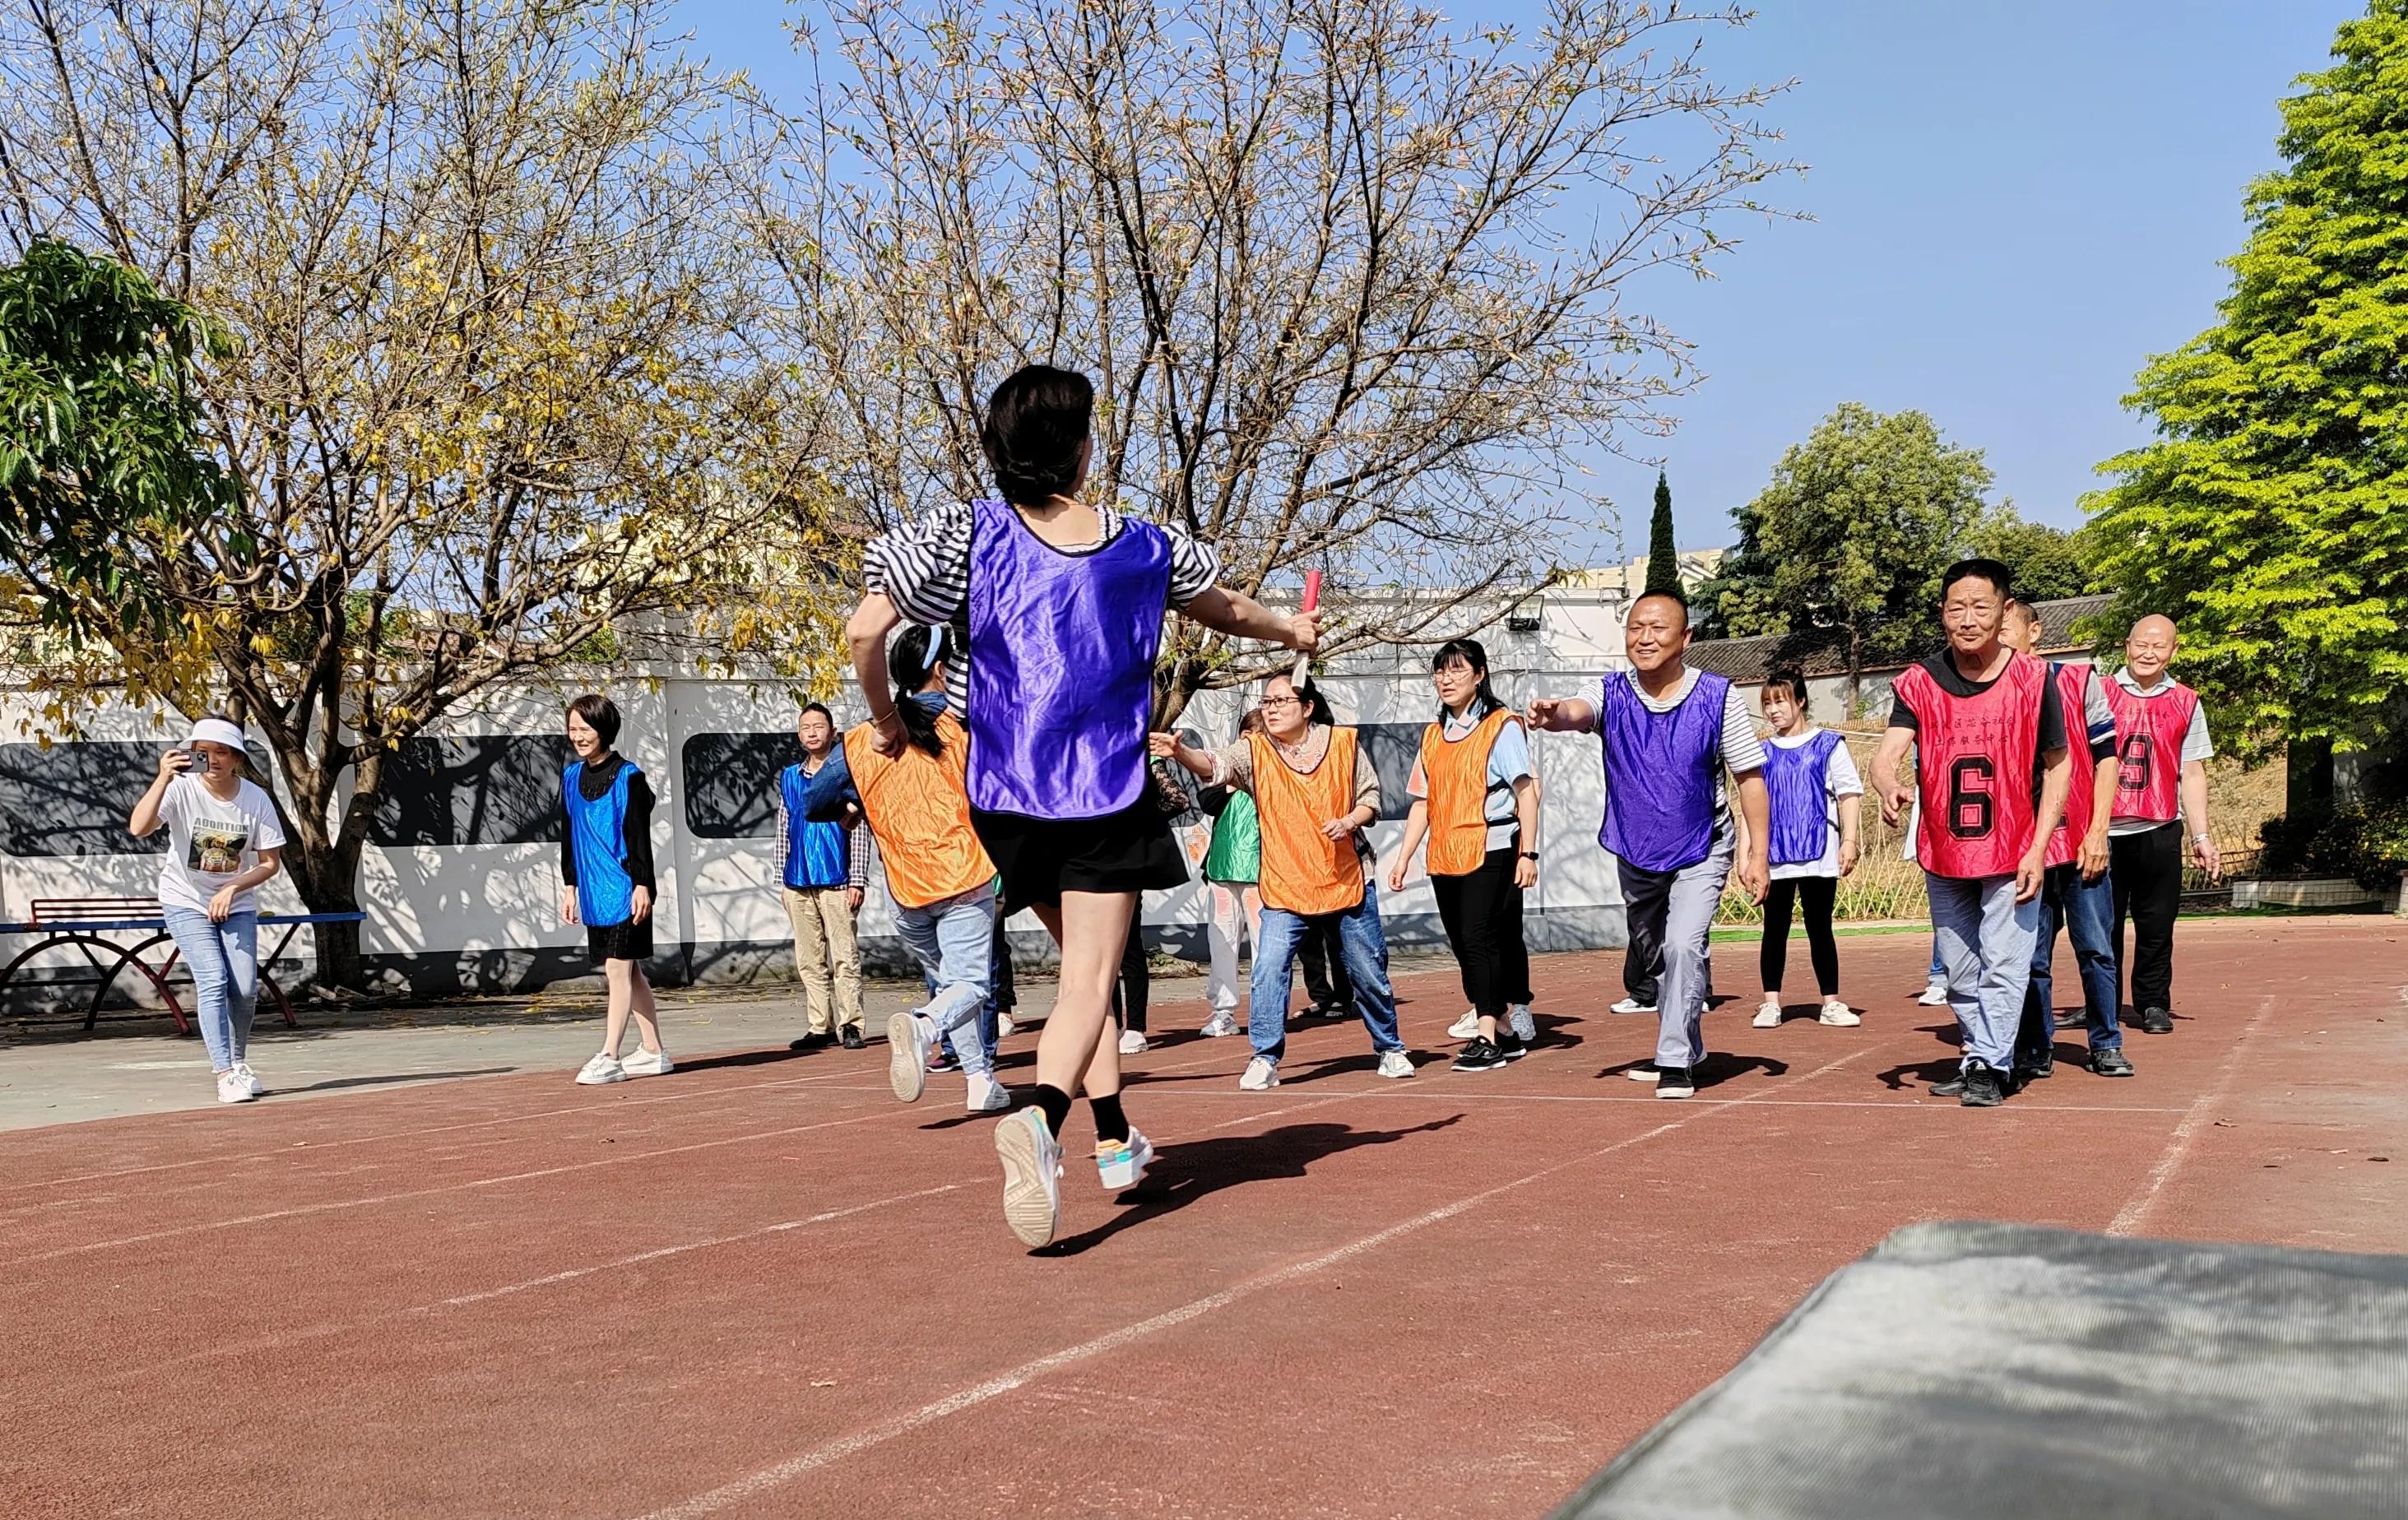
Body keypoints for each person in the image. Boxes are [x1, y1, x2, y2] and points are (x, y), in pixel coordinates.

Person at [848, 363, 1315, 1249]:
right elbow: (1228, 610)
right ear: (1080, 446)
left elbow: (865, 631)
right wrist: (1290, 631)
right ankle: (1041, 1119)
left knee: (1076, 988)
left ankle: (1112, 1141)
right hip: (1099, 790)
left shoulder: (964, 538)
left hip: (1005, 795)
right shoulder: (1145, 546)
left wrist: (883, 718)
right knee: (1091, 985)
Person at [1530, 591, 1770, 1098]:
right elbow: (1577, 711)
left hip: (1702, 843)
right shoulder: (1611, 691)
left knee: (1685, 943)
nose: (1645, 638)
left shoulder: (1718, 696)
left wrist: (1757, 854)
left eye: (1658, 628)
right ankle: (1689, 1040)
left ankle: (1675, 1060)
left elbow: (1750, 778)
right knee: (1655, 953)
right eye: (1636, 627)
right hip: (1636, 848)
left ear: (1685, 638)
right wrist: (1553, 715)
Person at [1871, 561, 2072, 1109]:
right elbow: (1887, 754)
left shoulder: (2035, 680)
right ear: (1941, 613)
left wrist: (2038, 846)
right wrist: (1888, 783)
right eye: (1955, 607)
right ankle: (1982, 1054)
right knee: (1959, 972)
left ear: (2004, 611)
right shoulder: (1918, 682)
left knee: (2006, 962)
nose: (1967, 618)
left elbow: (2059, 766)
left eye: (1979, 607)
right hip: (1944, 848)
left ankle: (1986, 1062)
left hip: (2013, 849)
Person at [1155, 672, 1410, 1087]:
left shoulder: (1343, 744)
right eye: (1266, 702)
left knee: (1367, 970)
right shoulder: (1254, 749)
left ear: (1307, 707)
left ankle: (1390, 1047)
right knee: (1269, 967)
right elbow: (1216, 765)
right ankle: (1265, 1056)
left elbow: (1371, 798)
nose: (1270, 709)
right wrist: (1182, 753)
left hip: (1344, 876)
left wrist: (1348, 821)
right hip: (1284, 883)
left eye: (1280, 701)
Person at [804, 625, 1013, 1112]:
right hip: (962, 874)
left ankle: (980, 1081)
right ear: (941, 670)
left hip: (906, 886)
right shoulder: (964, 726)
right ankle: (922, 1029)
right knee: (972, 986)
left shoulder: (862, 740)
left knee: (950, 984)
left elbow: (812, 801)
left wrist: (856, 802)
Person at [1390, 638, 1539, 1072]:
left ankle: (1486, 1034)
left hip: (1492, 847)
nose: (1446, 679)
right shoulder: (1433, 735)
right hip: (1445, 853)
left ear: (1480, 675)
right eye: (1440, 671)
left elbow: (1525, 792)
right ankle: (1506, 1031)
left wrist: (1527, 852)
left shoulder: (1502, 725)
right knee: (1462, 943)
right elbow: (1422, 802)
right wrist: (1402, 859)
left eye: (1457, 670)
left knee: (1479, 938)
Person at [128, 715, 286, 1105]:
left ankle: (238, 1062)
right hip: (185, 900)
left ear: (236, 758)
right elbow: (139, 828)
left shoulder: (255, 799)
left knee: (245, 988)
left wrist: (233, 887)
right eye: (203, 753)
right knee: (213, 980)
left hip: (236, 902)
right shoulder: (181, 789)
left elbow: (270, 863)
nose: (212, 760)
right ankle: (224, 1072)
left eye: (221, 753)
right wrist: (163, 778)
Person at [2000, 600, 2129, 1079]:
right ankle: (2035, 1045)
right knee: (2031, 956)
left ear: (2034, 631)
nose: (1999, 638)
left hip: (2079, 841)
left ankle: (2106, 1042)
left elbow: (2107, 760)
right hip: (2025, 848)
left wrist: (2099, 830)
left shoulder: (2077, 680)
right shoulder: (1991, 691)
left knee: (2096, 948)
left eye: (2006, 627)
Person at [2104, 614, 2219, 1037]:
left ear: (2173, 650)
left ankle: (2153, 1002)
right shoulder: (2099, 692)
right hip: (2104, 831)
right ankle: (2104, 1003)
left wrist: (2201, 835)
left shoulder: (2187, 700)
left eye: (2159, 646)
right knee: (2103, 927)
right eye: (2141, 644)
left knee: (2157, 924)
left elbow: (2192, 771)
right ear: (2126, 646)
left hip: (2159, 827)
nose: (2148, 653)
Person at [559, 693, 670, 1085]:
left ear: (604, 729)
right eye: (572, 729)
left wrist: (643, 884)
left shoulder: (630, 778)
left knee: (617, 971)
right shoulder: (571, 777)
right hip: (593, 892)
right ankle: (654, 1051)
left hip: (626, 889)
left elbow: (639, 838)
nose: (578, 736)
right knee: (631, 971)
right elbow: (568, 836)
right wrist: (570, 886)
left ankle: (609, 1054)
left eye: (585, 729)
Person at [1751, 669, 1863, 1030]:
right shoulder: (1761, 751)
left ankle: (1830, 1002)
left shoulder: (1830, 744)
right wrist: (1747, 854)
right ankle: (1771, 1003)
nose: (1773, 710)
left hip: (1820, 851)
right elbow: (1750, 803)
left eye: (1780, 701)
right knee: (1774, 927)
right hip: (1775, 854)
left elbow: (1849, 793)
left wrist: (1849, 840)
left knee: (1820, 926)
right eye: (1767, 703)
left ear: (1800, 701)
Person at [777, 702, 870, 1051]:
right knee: (809, 959)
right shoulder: (789, 778)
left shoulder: (846, 772)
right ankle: (820, 1025)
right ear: (799, 735)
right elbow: (782, 829)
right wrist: (780, 880)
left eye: (818, 726)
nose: (812, 732)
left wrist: (857, 878)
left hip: (838, 879)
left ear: (832, 731)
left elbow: (860, 830)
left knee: (845, 955)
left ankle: (851, 1024)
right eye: (805, 727)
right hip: (797, 880)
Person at [1197, 708, 1265, 1040]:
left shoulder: (1274, 772)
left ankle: (1266, 1009)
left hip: (1261, 871)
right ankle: (1223, 1011)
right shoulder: (1224, 773)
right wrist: (1231, 782)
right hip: (1222, 869)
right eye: (1245, 739)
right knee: (1221, 942)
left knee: (1265, 945)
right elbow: (1206, 801)